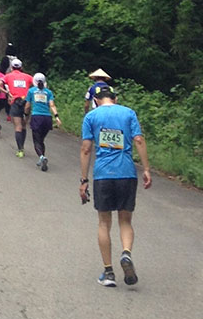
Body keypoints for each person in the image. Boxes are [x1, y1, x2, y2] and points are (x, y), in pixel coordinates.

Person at [79, 85, 152, 288]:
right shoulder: (128, 113)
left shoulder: (91, 117)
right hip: (126, 173)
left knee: (104, 222)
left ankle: (108, 272)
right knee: (125, 221)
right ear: (115, 98)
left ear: (95, 100)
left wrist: (83, 180)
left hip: (103, 175)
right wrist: (146, 169)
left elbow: (86, 149)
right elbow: (138, 139)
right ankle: (126, 254)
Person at [24, 72, 61, 171]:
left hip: (37, 117)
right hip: (47, 118)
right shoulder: (48, 92)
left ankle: (41, 157)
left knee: (36, 141)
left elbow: (27, 106)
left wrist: (26, 116)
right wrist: (56, 116)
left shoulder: (31, 91)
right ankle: (42, 159)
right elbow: (52, 105)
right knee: (41, 140)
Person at [4, 58, 34, 158]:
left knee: (18, 126)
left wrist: (7, 93)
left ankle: (20, 149)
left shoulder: (8, 76)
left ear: (12, 67)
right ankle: (22, 146)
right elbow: (39, 84)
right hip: (26, 102)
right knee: (24, 125)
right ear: (21, 67)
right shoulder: (28, 77)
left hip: (15, 102)